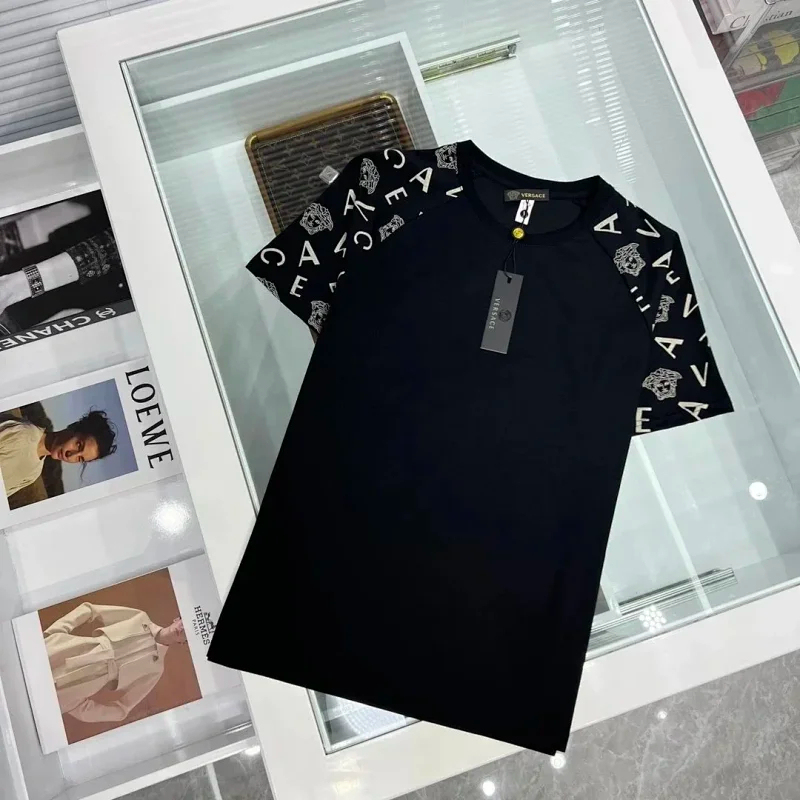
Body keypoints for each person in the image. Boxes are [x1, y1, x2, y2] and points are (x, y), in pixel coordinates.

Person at [43, 603, 187, 723]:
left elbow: (122, 709)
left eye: (187, 631)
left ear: (184, 642)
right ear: (176, 619)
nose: (182, 628)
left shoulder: (156, 669)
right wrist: (54, 632)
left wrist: (77, 708)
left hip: (85, 683)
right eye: (183, 622)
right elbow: (91, 609)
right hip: (71, 649)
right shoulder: (140, 617)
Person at [0, 409, 117, 497]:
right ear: (73, 427)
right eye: (79, 445)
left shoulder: (34, 473)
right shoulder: (23, 433)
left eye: (80, 458)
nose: (71, 455)